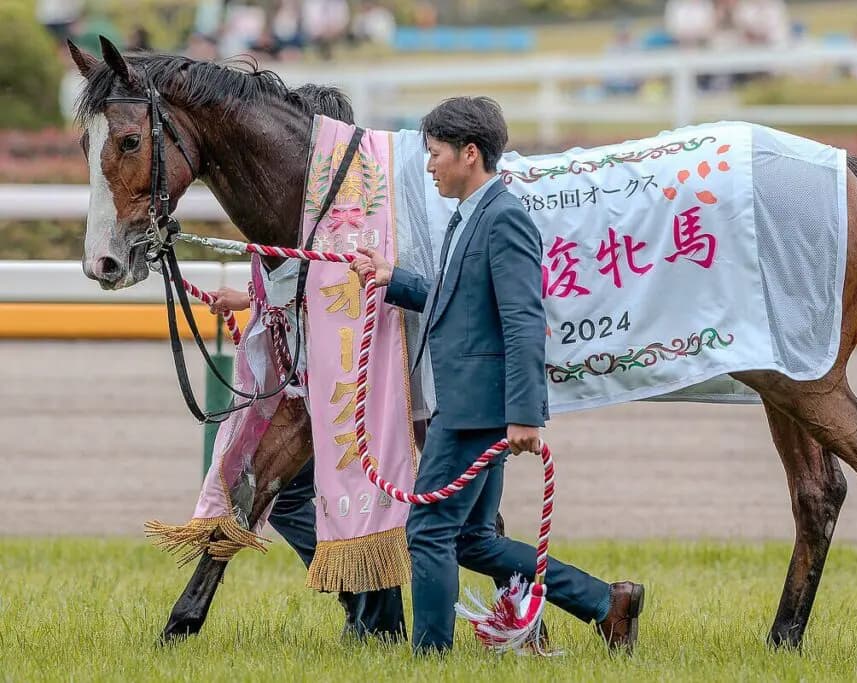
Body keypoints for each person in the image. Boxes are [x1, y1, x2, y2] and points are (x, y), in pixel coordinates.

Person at [350, 96, 645, 655]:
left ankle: (430, 657)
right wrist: (394, 277)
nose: (429, 165)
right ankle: (608, 604)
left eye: (435, 154)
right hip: (474, 405)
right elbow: (459, 299)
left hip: (474, 410)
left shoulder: (503, 217)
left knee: (430, 532)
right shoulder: (471, 215)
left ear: (469, 154)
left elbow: (523, 320)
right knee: (473, 540)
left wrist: (524, 414)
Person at [207, 283, 405, 640]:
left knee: (357, 497)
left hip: (344, 378)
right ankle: (360, 598)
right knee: (288, 495)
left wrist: (252, 299)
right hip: (321, 381)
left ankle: (373, 611)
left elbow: (324, 281)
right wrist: (252, 298)